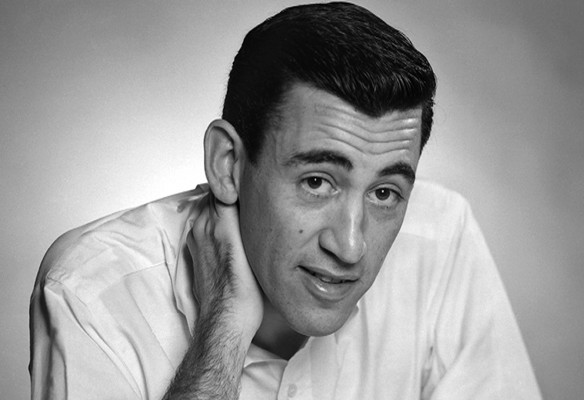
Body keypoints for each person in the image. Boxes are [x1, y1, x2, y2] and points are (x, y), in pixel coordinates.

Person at [29, 2, 542, 399]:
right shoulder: (92, 292)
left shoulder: (441, 239)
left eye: (385, 193)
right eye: (317, 182)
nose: (350, 246)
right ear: (228, 163)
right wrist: (222, 333)